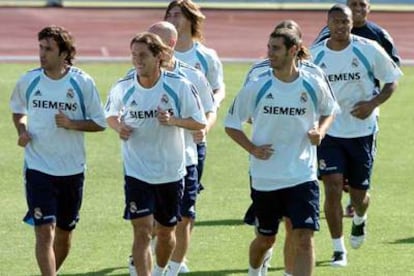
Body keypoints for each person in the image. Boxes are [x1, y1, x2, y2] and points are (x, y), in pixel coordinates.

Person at [225, 27, 337, 276]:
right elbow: (231, 123)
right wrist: (252, 148)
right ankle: (254, 271)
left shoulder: (312, 83)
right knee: (266, 240)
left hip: (302, 174)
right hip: (266, 178)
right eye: (269, 47)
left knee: (304, 238)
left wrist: (321, 130)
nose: (269, 53)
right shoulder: (258, 85)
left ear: (293, 50)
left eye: (275, 48)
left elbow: (330, 109)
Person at [105, 32, 207, 276]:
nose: (137, 60)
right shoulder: (123, 87)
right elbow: (110, 114)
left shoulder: (179, 86)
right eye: (133, 55)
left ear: (158, 56)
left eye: (143, 55)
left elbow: (199, 122)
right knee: (141, 230)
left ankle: (161, 271)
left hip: (170, 172)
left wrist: (174, 121)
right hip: (137, 171)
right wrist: (120, 127)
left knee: (165, 232)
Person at [310, 4, 403, 267]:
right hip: (330, 131)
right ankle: (338, 249)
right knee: (332, 186)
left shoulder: (368, 48)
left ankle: (360, 219)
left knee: (360, 196)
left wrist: (372, 104)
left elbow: (391, 79)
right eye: (335, 22)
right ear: (327, 24)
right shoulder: (316, 55)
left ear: (353, 23)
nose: (340, 27)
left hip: (362, 131)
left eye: (345, 22)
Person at [10, 25, 106, 276]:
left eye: (49, 49)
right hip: (38, 167)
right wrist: (22, 130)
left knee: (64, 234)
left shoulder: (82, 82)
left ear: (64, 54)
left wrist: (73, 124)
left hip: (72, 169)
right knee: (44, 230)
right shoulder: (28, 80)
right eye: (40, 48)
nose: (42, 54)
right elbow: (18, 110)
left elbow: (100, 122)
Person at [126, 21, 217, 276]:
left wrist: (204, 129)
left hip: (186, 157)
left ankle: (171, 268)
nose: (150, 44)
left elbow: (209, 111)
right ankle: (142, 258)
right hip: (146, 160)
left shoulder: (192, 76)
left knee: (184, 217)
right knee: (147, 222)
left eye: (157, 41)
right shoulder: (135, 76)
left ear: (171, 45)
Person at [164, 0, 224, 271]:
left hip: (193, 141)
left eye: (178, 15)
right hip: (162, 140)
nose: (173, 19)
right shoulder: (157, 54)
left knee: (187, 205)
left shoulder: (205, 56)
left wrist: (206, 122)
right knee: (160, 202)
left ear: (191, 20)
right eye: (170, 14)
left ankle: (178, 256)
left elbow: (218, 90)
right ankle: (154, 246)